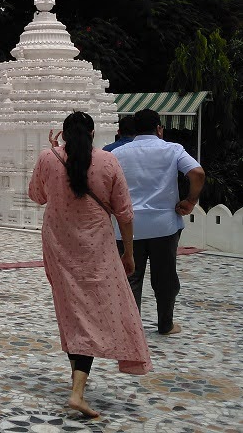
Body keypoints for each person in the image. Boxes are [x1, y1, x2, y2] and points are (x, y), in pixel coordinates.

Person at [29, 111, 151, 418]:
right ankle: (77, 392)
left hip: (59, 245)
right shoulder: (108, 161)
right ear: (94, 134)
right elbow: (124, 212)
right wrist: (129, 253)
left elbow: (37, 195)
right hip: (97, 249)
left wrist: (53, 153)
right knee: (92, 315)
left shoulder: (48, 157)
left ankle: (77, 384)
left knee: (73, 313)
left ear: (65, 135)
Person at [110, 109, 205, 336]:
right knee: (165, 278)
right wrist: (191, 200)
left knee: (131, 278)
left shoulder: (118, 154)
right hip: (164, 225)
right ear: (159, 129)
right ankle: (166, 324)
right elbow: (198, 173)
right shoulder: (172, 149)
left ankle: (131, 330)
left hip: (127, 227)